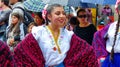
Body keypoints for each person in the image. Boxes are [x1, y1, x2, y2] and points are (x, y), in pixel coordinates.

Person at [13, 4, 98, 67]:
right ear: (49, 16)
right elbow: (21, 51)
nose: (62, 16)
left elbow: (87, 50)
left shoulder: (69, 35)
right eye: (58, 13)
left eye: (63, 13)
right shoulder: (38, 32)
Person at [92, 0, 120, 67]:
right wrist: (102, 55)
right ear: (118, 11)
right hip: (113, 60)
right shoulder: (111, 26)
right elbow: (97, 36)